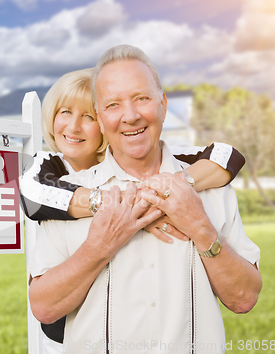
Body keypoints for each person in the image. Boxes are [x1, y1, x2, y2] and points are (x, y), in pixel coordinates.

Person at [27, 45, 262, 354]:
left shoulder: (212, 187)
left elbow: (244, 298)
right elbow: (43, 308)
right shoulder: (67, 196)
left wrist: (200, 227)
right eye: (113, 104)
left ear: (162, 104)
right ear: (101, 117)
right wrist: (99, 246)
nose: (131, 115)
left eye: (142, 98)